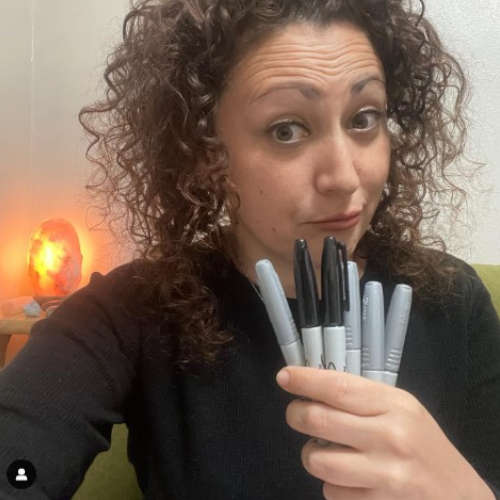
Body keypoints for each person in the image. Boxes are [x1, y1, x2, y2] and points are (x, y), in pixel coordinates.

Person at [1, 0, 499, 498]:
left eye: (364, 118)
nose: (345, 177)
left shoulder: (453, 302)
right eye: (287, 129)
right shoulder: (133, 313)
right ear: (205, 154)